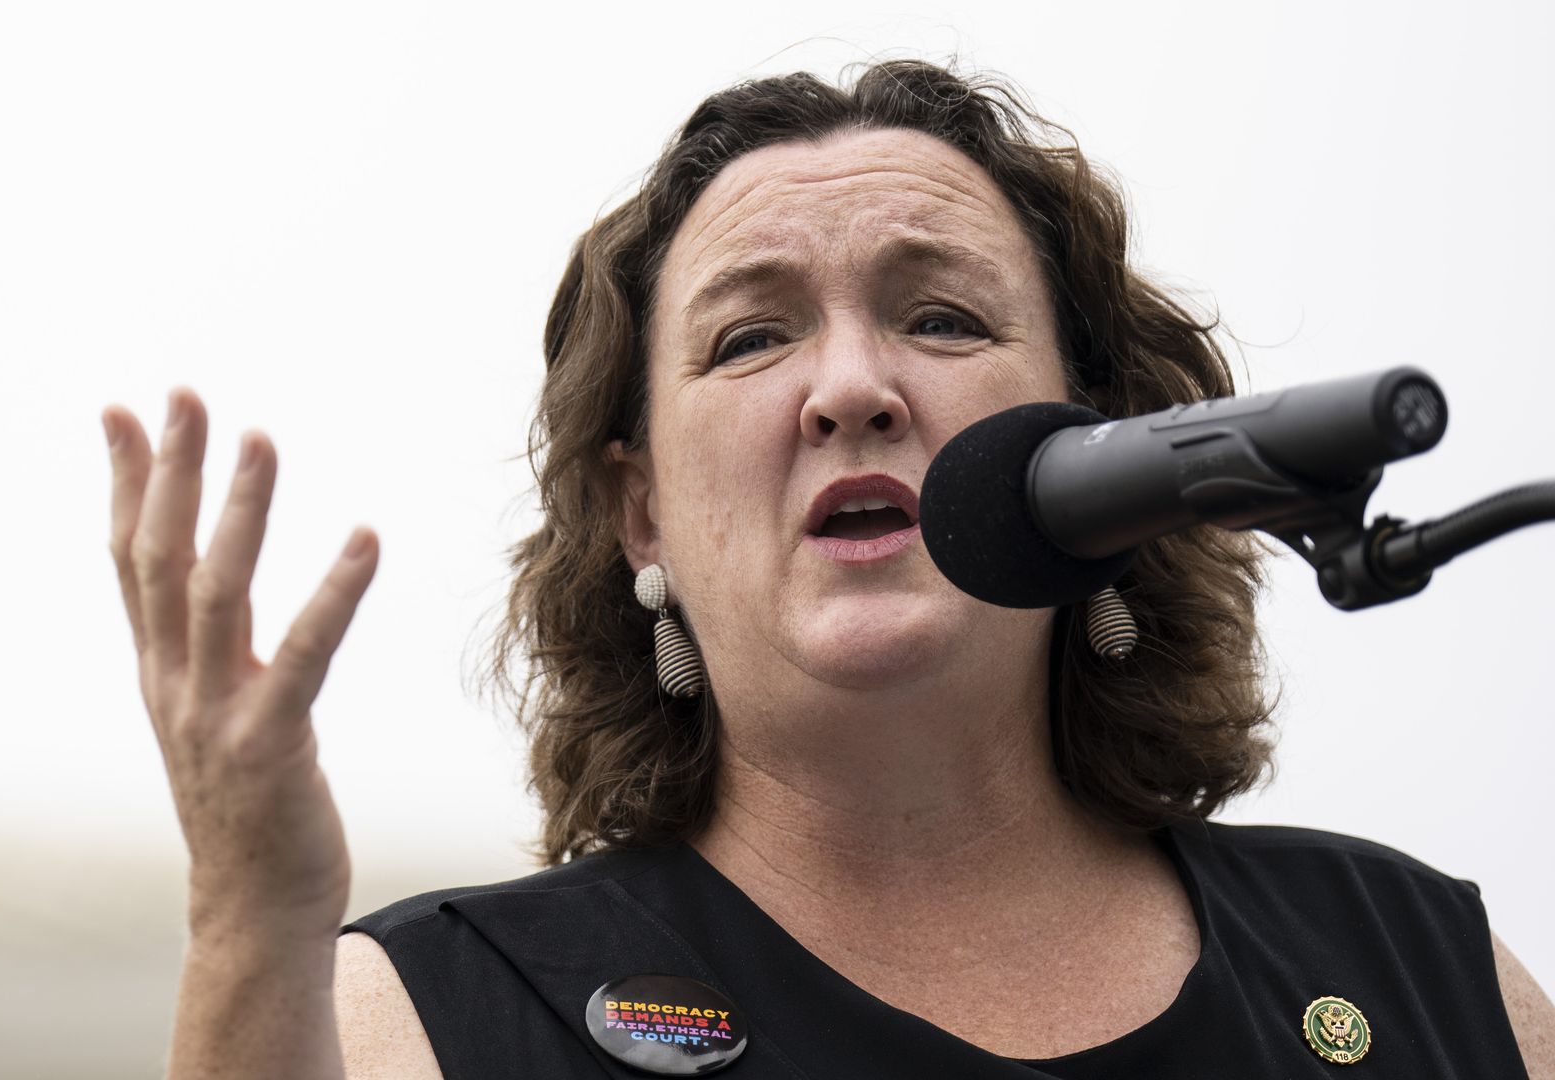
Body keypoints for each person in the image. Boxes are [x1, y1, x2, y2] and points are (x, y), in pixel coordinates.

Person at [99, 60, 1555, 1078]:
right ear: (642, 515)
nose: (850, 387)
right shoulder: (420, 1015)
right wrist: (251, 919)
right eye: (750, 337)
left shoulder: (1423, 969)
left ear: (1107, 450)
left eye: (941, 320)